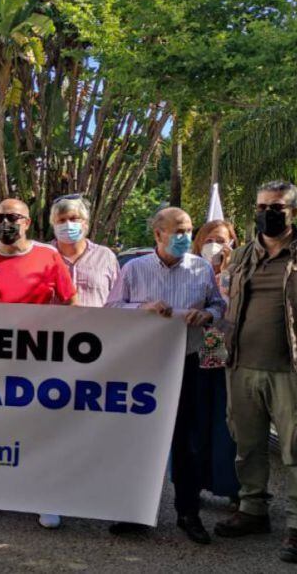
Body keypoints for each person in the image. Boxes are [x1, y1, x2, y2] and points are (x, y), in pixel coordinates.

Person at [214, 181, 297, 564]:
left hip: (294, 371)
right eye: (262, 206)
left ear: (294, 212)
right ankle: (253, 510)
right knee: (248, 446)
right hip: (241, 367)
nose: (268, 213)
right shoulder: (241, 256)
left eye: (277, 207)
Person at [0, 198, 77, 529]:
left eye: (13, 217)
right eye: (2, 217)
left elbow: (70, 302)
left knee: (39, 429)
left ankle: (45, 498)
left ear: (27, 222)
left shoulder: (48, 257)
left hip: (38, 360)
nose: (6, 223)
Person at [105, 207, 227, 544]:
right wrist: (141, 309)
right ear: (158, 234)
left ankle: (188, 512)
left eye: (188, 229)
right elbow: (111, 310)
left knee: (188, 441)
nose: (185, 236)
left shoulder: (201, 269)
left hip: (188, 363)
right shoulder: (134, 269)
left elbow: (219, 306)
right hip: (145, 367)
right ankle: (135, 512)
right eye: (177, 230)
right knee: (141, 440)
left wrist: (206, 315)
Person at [189, 220, 241, 506]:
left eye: (222, 239)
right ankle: (192, 484)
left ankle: (230, 484)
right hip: (194, 350)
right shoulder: (191, 271)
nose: (216, 244)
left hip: (230, 354)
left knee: (227, 422)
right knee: (196, 419)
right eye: (209, 238)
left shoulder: (240, 272)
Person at [49, 194, 119, 307]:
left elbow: (117, 299)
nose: (68, 224)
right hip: (53, 324)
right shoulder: (44, 255)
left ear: (85, 223)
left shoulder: (105, 256)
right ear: (54, 225)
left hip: (95, 324)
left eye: (73, 219)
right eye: (61, 220)